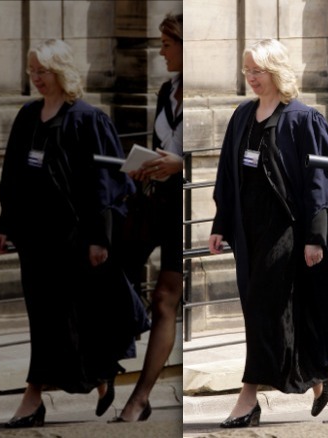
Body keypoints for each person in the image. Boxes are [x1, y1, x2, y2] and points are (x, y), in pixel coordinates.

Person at [208, 38, 328, 429]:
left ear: (275, 71)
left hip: (287, 232)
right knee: (267, 312)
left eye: (256, 71)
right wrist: (220, 224)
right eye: (246, 71)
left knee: (266, 310)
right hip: (248, 233)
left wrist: (315, 237)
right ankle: (314, 375)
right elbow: (228, 175)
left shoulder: (302, 118)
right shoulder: (243, 116)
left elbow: (321, 182)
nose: (250, 78)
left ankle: (247, 399)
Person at [0, 39, 144, 428]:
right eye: (31, 72)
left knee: (74, 317)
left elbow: (107, 183)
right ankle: (60, 388)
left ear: (60, 71)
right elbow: (12, 176)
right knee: (43, 318)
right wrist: (4, 225)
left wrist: (100, 239)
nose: (35, 79)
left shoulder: (87, 119)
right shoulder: (27, 116)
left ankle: (62, 387)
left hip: (74, 238)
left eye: (41, 71)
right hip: (34, 238)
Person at [110, 12, 185, 423]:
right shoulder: (165, 90)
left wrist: (180, 163)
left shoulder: (200, 91)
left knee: (164, 299)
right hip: (156, 201)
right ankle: (108, 364)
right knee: (111, 269)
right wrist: (149, 164)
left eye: (167, 44)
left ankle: (139, 399)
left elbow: (219, 153)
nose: (160, 51)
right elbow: (162, 146)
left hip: (188, 208)